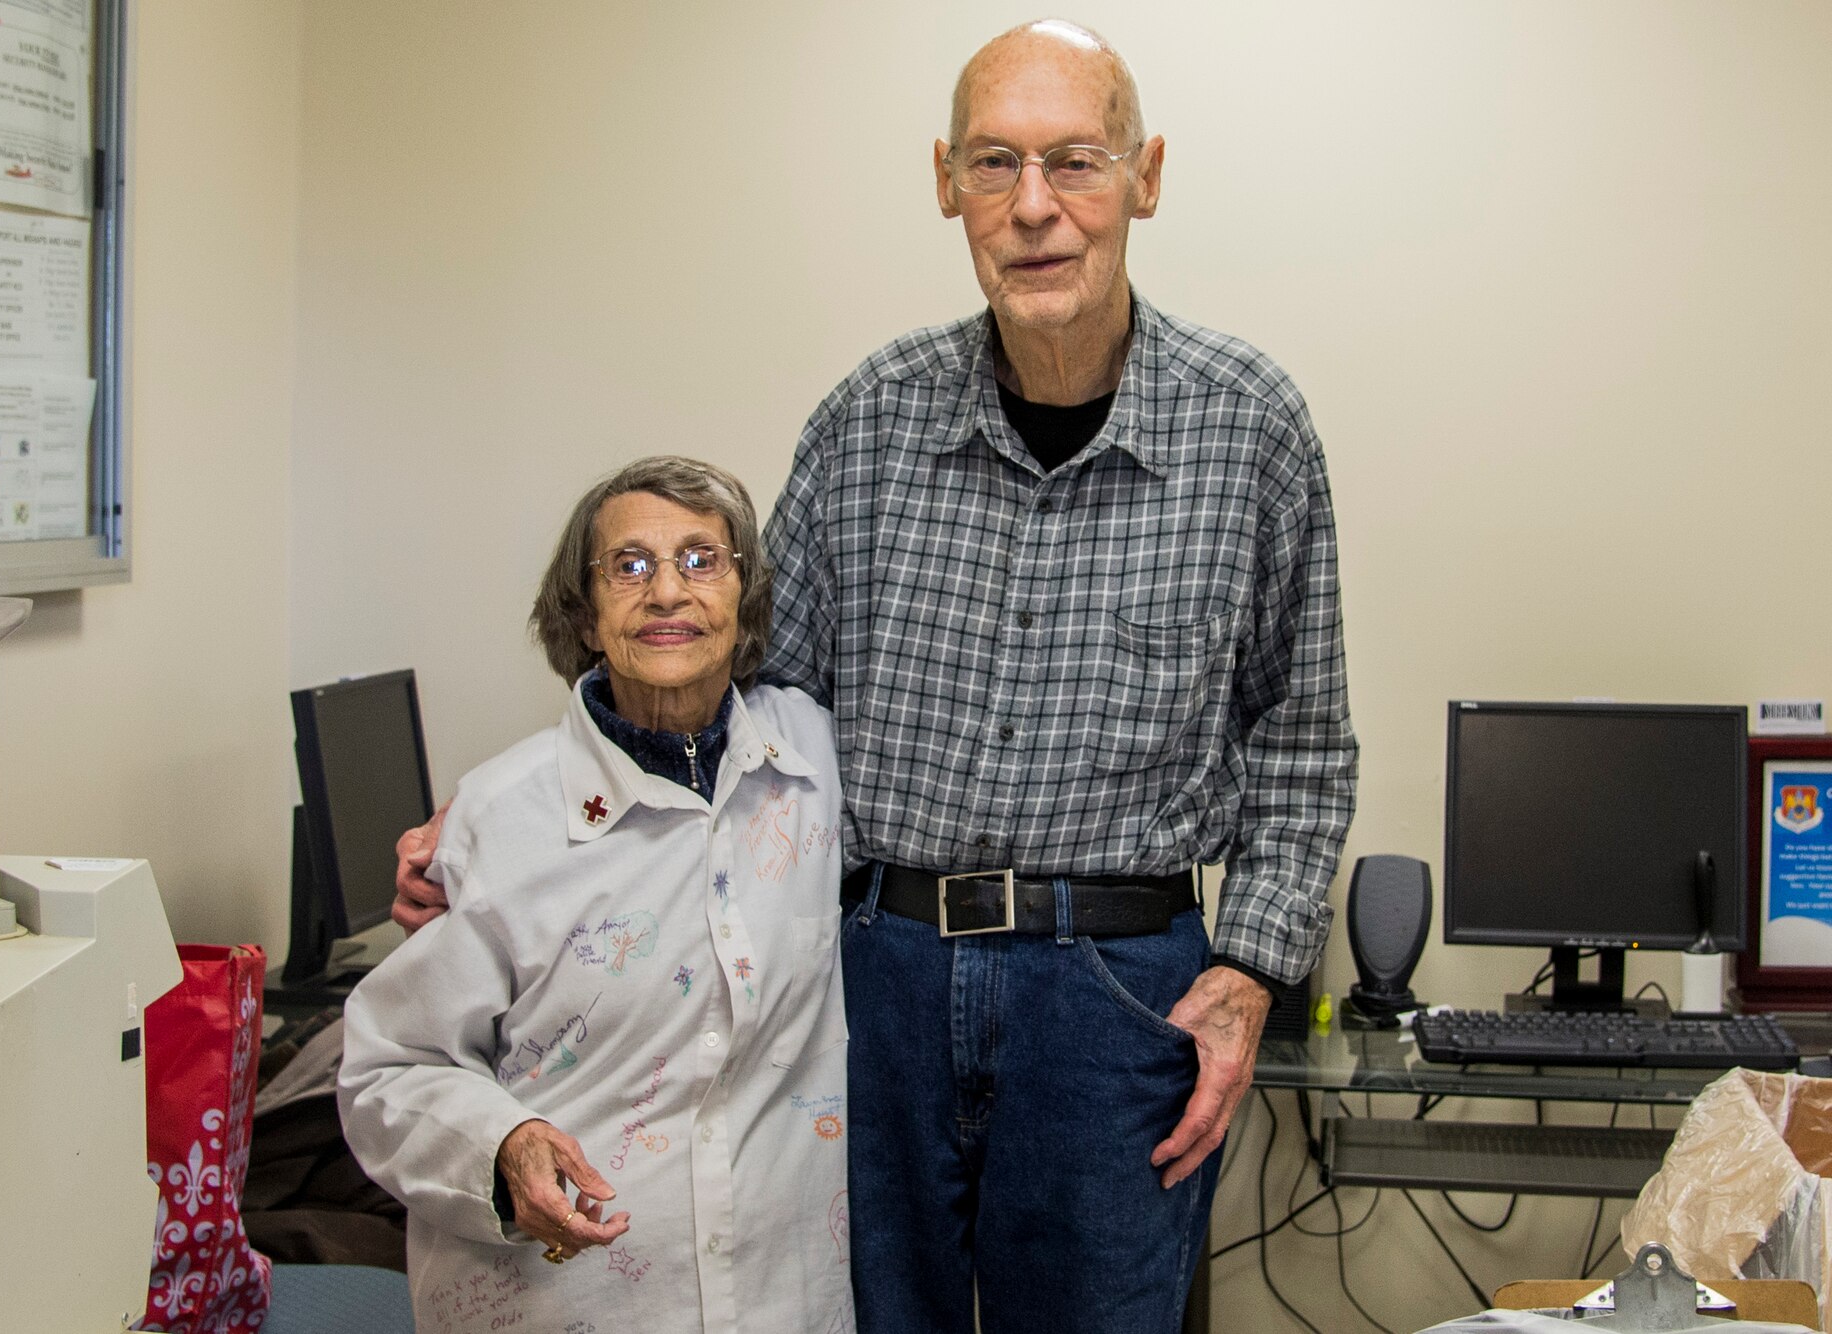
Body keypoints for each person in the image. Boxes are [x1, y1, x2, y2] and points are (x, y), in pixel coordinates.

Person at [396, 20, 1355, 1333]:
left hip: (1118, 996)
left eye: (1075, 161)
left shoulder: (1250, 427)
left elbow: (1303, 748)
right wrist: (508, 824)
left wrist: (1252, 969)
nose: (1033, 207)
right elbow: (737, 704)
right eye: (993, 163)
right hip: (871, 982)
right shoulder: (873, 420)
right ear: (945, 180)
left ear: (1147, 175)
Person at [341, 456, 854, 1333]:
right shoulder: (501, 817)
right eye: (629, 565)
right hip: (569, 1295)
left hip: (783, 1295)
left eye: (702, 560)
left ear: (747, 601)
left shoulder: (815, 765)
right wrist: (500, 1146)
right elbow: (390, 1068)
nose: (666, 592)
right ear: (582, 611)